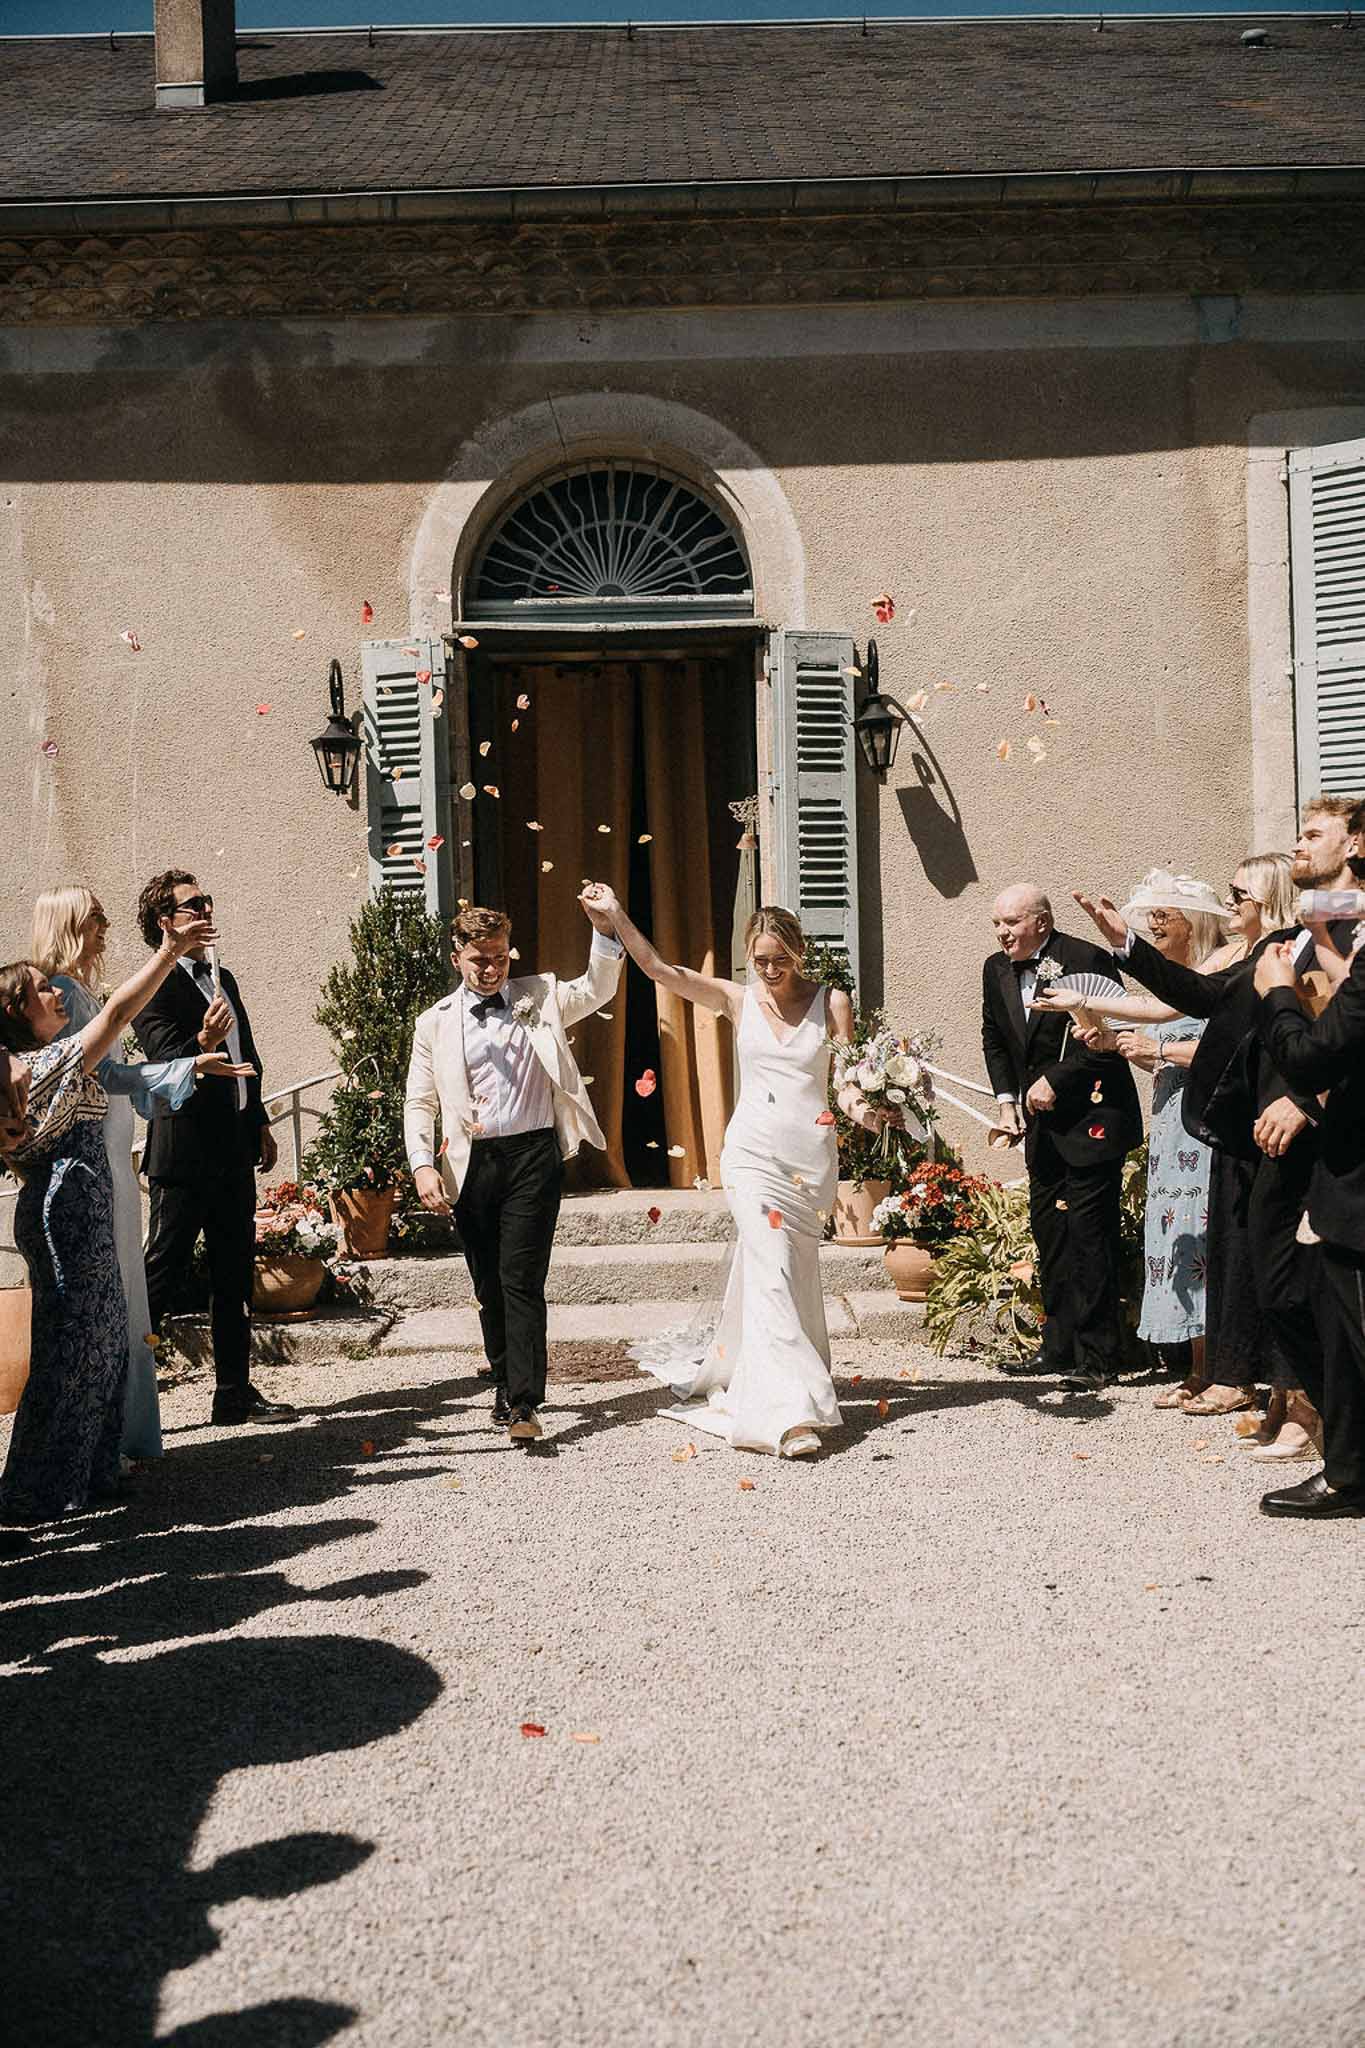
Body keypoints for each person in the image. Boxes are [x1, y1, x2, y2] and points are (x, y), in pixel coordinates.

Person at [1072, 799, 1361, 1441]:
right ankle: (1315, 1421)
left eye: (1313, 834)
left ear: (1354, 847)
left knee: (1320, 1284)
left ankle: (1322, 1431)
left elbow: (1346, 1038)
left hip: (1327, 1134)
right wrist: (1124, 942)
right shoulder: (1290, 942)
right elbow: (1206, 996)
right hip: (1265, 1132)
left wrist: (1308, 1101)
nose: (1299, 844)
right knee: (1278, 1283)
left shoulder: (1350, 933)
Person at [589, 892, 887, 1458]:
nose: (770, 972)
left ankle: (786, 1376)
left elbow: (846, 1083)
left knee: (793, 1276)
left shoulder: (833, 1003)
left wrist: (871, 1113)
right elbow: (658, 969)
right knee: (772, 1269)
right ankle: (786, 1417)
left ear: (799, 954)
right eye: (760, 961)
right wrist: (616, 916)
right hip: (750, 1156)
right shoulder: (738, 1000)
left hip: (808, 1164)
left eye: (779, 960)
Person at [0, 902, 229, 1522]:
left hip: (86, 1202)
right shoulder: (52, 1062)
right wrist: (168, 953)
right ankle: (34, 1489)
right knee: (71, 1349)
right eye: (43, 991)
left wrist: (193, 1058)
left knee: (102, 1342)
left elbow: (121, 1067)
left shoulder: (53, 1063)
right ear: (20, 1015)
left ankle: (88, 1474)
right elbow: (119, 1013)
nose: (55, 992)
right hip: (65, 1211)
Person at [406, 897, 624, 1443]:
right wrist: (420, 1166)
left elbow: (598, 989)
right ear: (457, 955)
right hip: (470, 1163)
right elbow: (419, 1102)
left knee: (521, 1278)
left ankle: (525, 1401)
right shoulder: (432, 1024)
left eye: (500, 957)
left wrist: (604, 930)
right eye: (480, 958)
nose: (491, 969)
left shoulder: (539, 995)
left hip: (533, 1156)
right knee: (488, 1285)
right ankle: (503, 1377)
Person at [132, 872, 291, 1429]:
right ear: (164, 922)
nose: (205, 909)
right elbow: (161, 1063)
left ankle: (234, 1394)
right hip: (185, 1155)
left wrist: (260, 1122)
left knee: (232, 1275)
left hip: (233, 1150)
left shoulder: (225, 978)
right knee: (163, 1274)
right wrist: (201, 1042)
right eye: (192, 904)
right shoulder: (153, 986)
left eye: (207, 900)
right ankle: (122, 1393)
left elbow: (246, 1055)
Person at [981, 884, 1143, 1393]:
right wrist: (1007, 1099)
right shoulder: (995, 968)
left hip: (1093, 1118)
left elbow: (1111, 1038)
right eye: (998, 924)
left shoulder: (1086, 958)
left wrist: (1058, 1079)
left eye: (1012, 922)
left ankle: (1099, 1355)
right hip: (1040, 1127)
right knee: (1049, 1233)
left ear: (1043, 922)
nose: (1003, 933)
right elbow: (995, 1036)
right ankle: (1058, 1347)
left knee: (1091, 1237)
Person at [1253, 930, 1365, 1517]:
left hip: (1343, 1159)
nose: (1302, 842)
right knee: (1322, 1315)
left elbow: (1316, 1053)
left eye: (1314, 830)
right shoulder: (1304, 941)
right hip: (1334, 1165)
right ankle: (1349, 1469)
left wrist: (1278, 994)